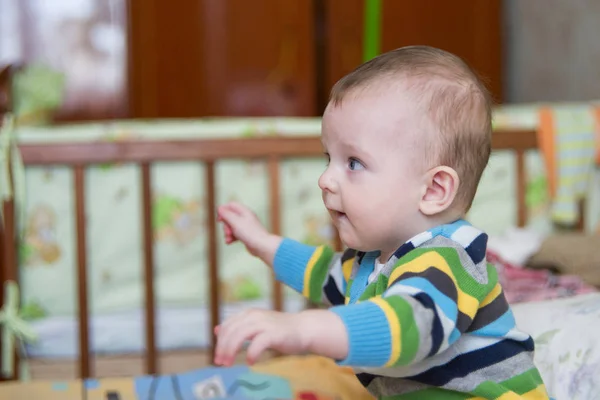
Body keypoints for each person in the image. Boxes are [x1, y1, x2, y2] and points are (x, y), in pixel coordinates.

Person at [215, 45, 549, 399]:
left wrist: (304, 329)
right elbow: (320, 272)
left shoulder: (447, 260)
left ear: (434, 189)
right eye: (329, 158)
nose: (326, 179)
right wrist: (261, 242)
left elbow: (406, 326)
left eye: (354, 163)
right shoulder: (376, 261)